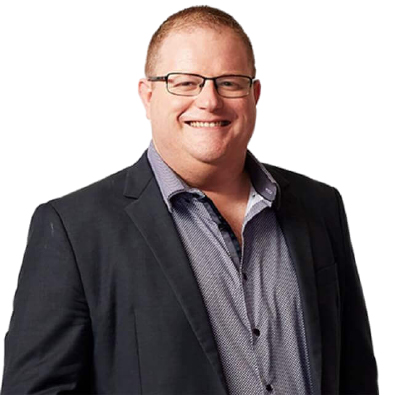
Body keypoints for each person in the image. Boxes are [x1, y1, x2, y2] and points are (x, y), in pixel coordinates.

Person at [1, 6, 378, 395]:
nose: (209, 101)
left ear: (254, 95)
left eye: (230, 82)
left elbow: (356, 375)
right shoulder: (75, 230)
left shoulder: (320, 207)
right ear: (148, 96)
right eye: (184, 83)